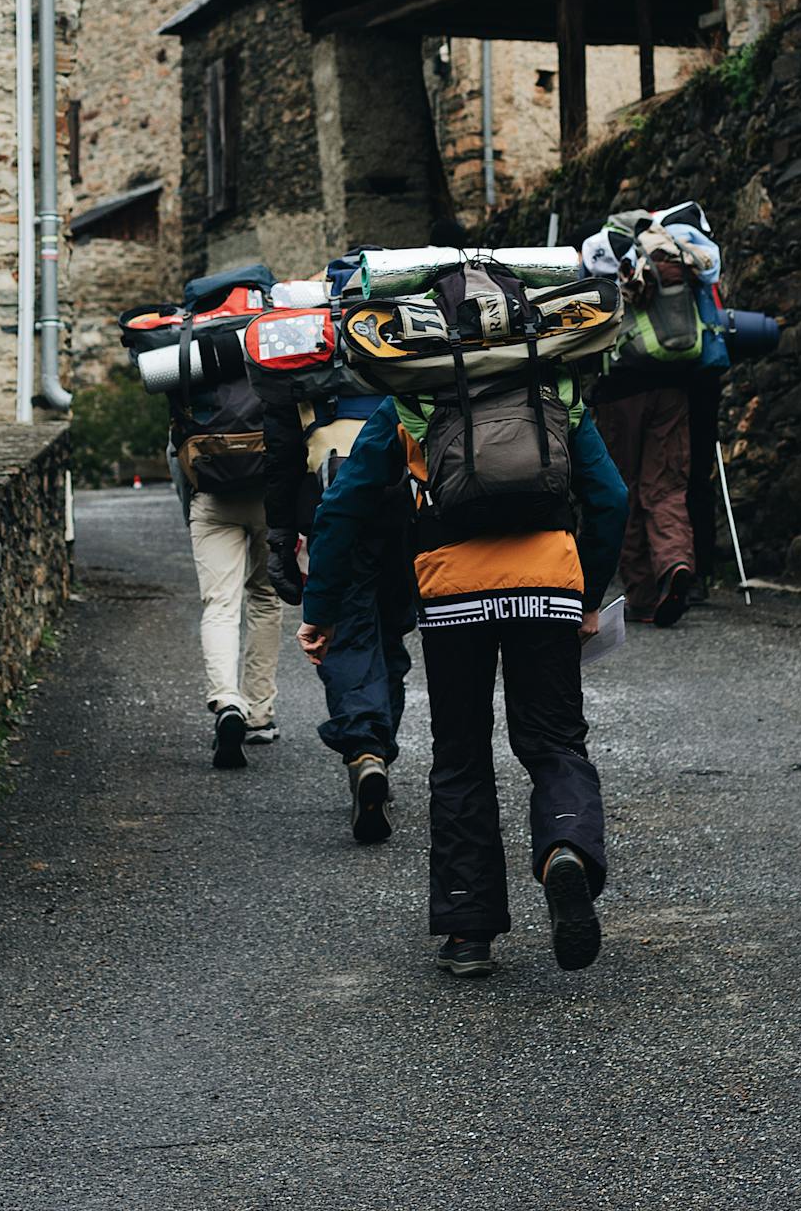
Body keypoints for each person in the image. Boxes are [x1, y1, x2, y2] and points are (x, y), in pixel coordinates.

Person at [296, 378, 627, 978]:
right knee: (554, 742)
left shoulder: (412, 398)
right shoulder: (553, 391)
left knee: (460, 754)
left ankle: (467, 929)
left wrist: (320, 611)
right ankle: (564, 849)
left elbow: (344, 504)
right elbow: (611, 497)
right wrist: (588, 594)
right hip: (549, 582)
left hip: (453, 593)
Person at [263, 389, 415, 842]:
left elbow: (283, 456)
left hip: (335, 491)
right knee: (390, 633)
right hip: (408, 494)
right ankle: (378, 753)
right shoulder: (408, 330)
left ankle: (365, 748)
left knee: (348, 633)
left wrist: (279, 541)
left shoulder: (303, 350)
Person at [585, 215, 719, 628]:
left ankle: (642, 597)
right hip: (673, 389)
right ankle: (676, 565)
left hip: (620, 394)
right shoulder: (668, 248)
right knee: (666, 487)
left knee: (624, 488)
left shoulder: (601, 249)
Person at [169, 358, 282, 771]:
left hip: (212, 495)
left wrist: (192, 512)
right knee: (265, 598)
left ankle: (227, 701)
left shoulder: (194, 359)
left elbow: (174, 451)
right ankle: (259, 713)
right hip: (267, 495)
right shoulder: (268, 347)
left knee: (220, 604)